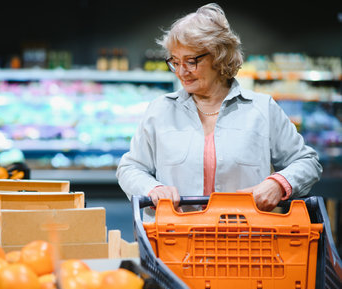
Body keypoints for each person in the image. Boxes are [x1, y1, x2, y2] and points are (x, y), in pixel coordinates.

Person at [116, 3, 322, 221]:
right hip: (174, 238)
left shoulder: (262, 109)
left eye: (191, 61)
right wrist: (152, 188)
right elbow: (130, 167)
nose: (181, 71)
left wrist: (278, 184)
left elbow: (308, 162)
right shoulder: (160, 110)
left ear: (219, 56)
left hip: (246, 240)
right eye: (175, 62)